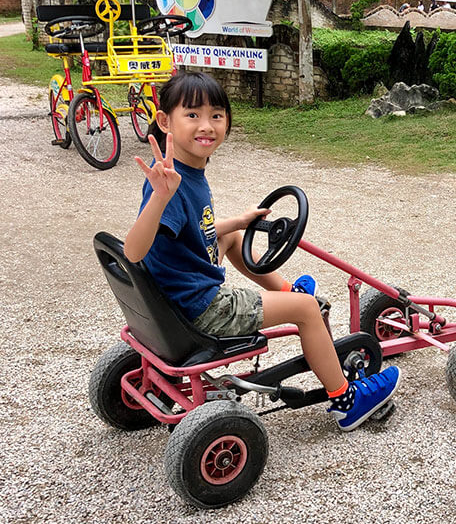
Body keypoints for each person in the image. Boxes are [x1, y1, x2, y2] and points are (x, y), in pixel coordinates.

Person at [124, 71, 400, 431]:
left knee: (234, 238)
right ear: (165, 121)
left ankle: (286, 292)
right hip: (200, 307)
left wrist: (239, 221)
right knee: (307, 311)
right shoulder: (170, 185)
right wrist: (159, 197)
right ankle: (346, 400)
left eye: (216, 116)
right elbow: (133, 251)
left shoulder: (187, 172)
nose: (206, 126)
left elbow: (196, 233)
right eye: (192, 115)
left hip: (172, 296)